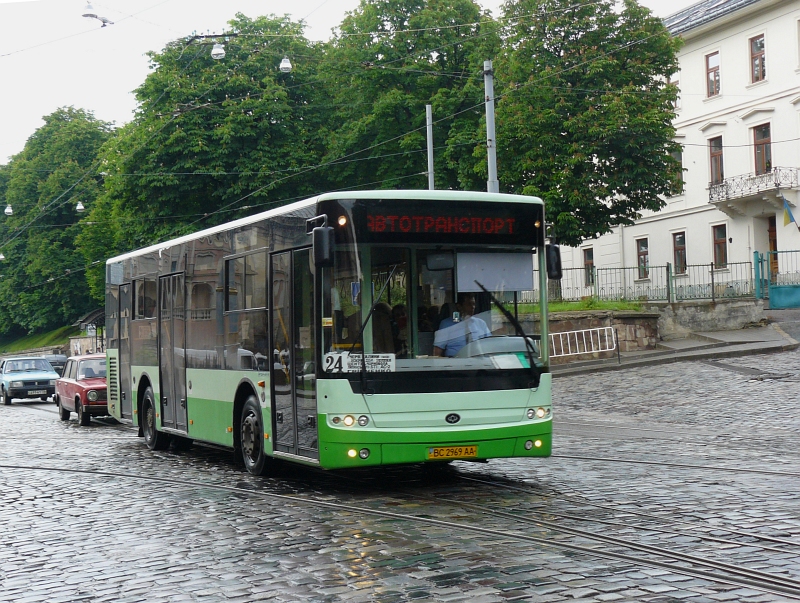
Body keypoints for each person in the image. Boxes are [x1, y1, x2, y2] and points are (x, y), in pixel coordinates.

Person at [433, 293, 491, 357]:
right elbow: (437, 352)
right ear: (459, 306)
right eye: (469, 304)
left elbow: (489, 345)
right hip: (455, 363)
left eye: (473, 304)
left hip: (478, 361)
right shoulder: (447, 324)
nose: (473, 307)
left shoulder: (480, 323)